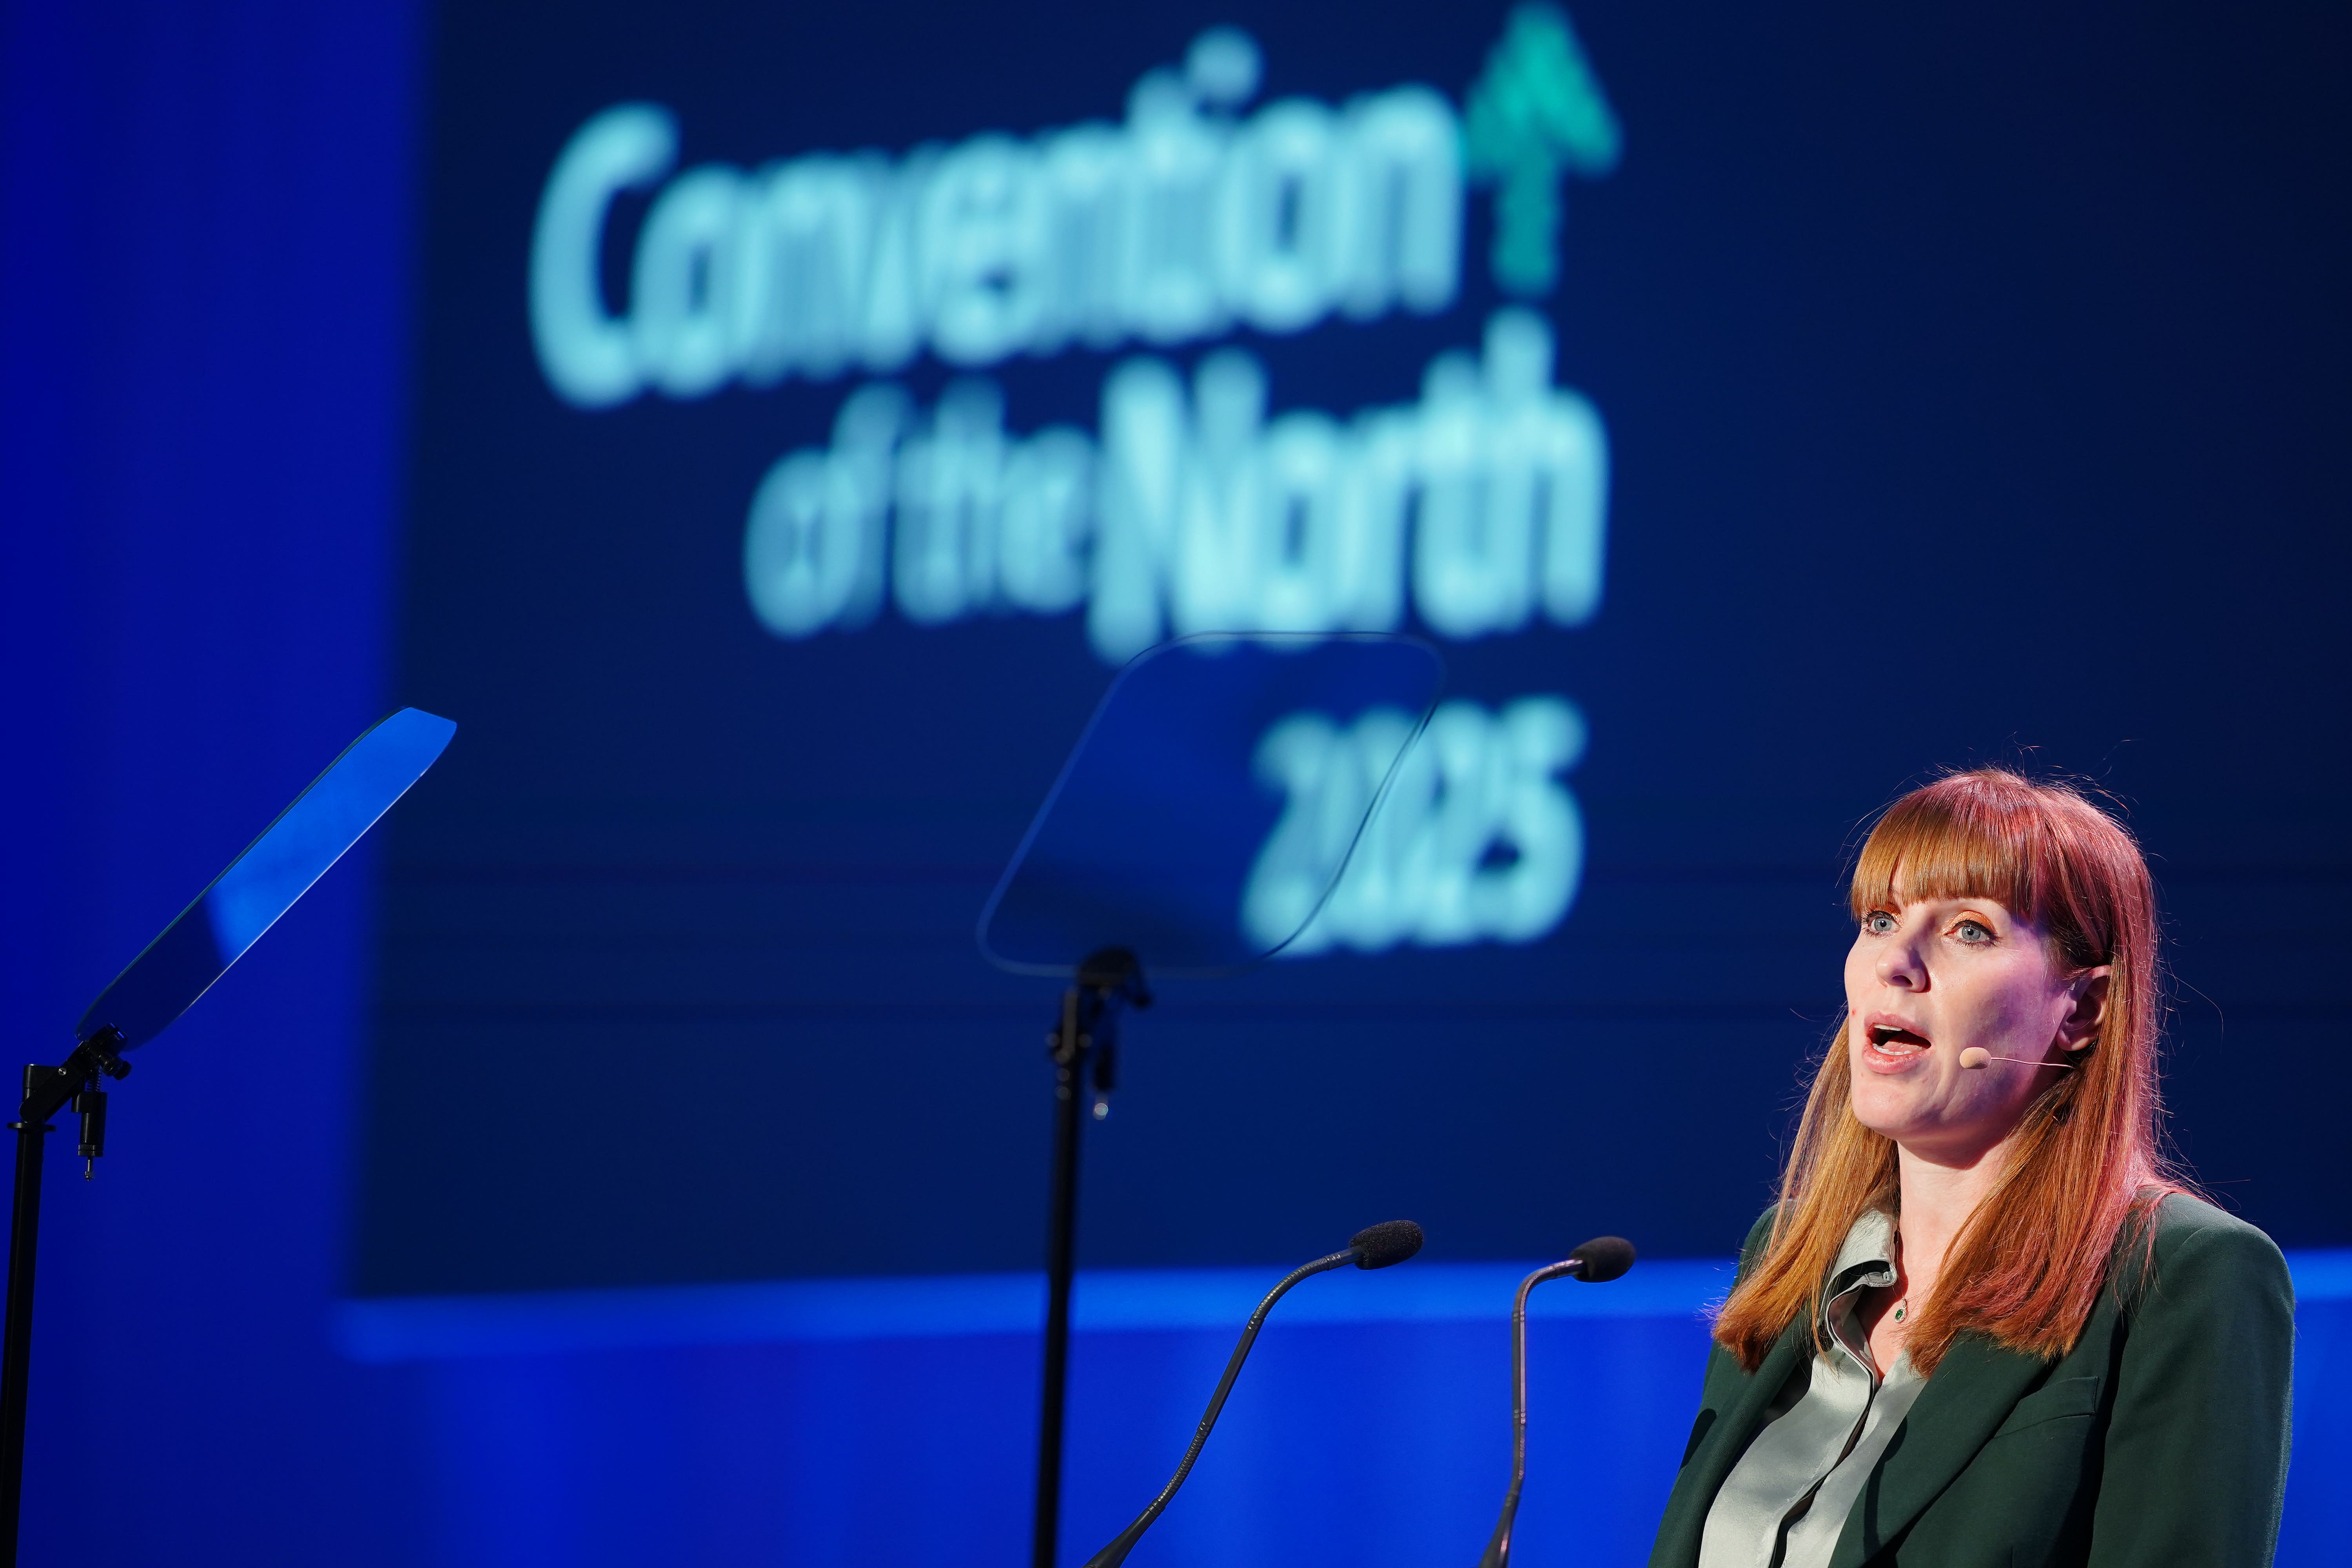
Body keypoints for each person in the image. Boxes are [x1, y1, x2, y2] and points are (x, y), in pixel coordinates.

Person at [1648, 769, 2294, 1568]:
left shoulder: (2183, 1276)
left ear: (2083, 1009)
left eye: (1969, 930)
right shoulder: (1790, 1257)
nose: (1897, 962)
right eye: (1880, 919)